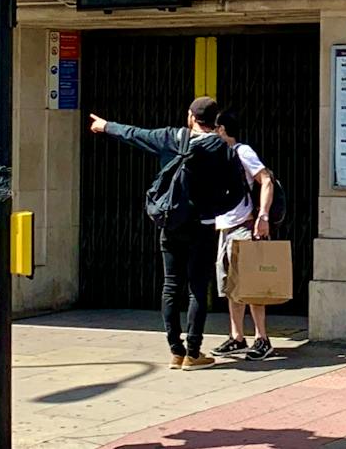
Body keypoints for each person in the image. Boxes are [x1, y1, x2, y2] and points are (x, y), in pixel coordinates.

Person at [88, 96, 241, 369]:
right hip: (202, 226)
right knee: (196, 289)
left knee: (171, 285)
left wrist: (106, 126)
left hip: (171, 223)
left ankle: (176, 350)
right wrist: (215, 210)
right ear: (216, 121)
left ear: (191, 117)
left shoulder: (173, 138)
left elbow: (136, 135)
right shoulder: (223, 149)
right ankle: (194, 353)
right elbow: (237, 192)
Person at [211, 111, 279, 360]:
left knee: (253, 285)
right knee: (232, 286)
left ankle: (263, 338)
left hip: (244, 226)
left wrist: (263, 216)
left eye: (215, 128)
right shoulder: (218, 156)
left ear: (222, 130)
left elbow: (266, 180)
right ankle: (237, 337)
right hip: (224, 229)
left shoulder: (243, 151)